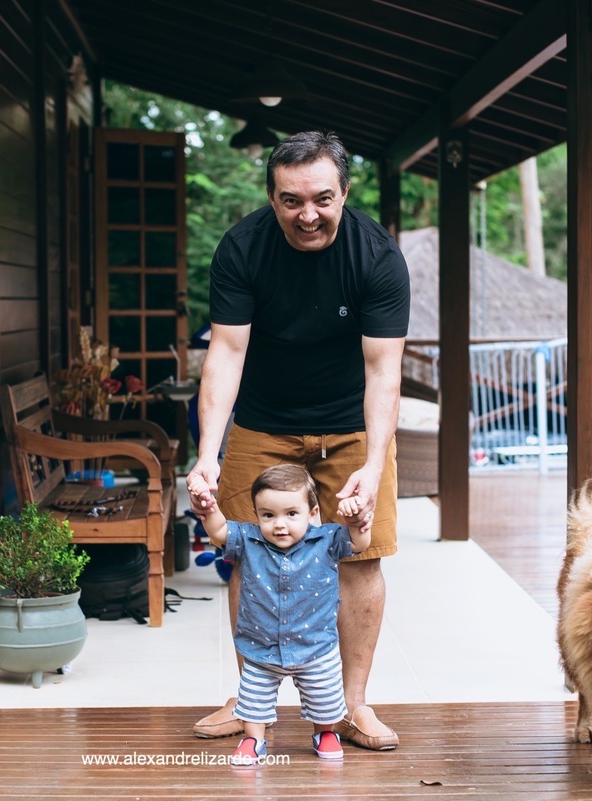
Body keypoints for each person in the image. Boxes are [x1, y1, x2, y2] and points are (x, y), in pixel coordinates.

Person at [188, 130, 410, 751]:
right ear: (271, 196)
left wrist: (372, 461)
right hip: (264, 422)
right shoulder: (242, 248)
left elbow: (382, 371)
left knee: (362, 557)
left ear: (344, 192)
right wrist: (209, 452)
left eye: (321, 199)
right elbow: (226, 354)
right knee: (247, 553)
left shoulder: (377, 257)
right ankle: (249, 701)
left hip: (352, 424)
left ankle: (353, 705)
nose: (307, 215)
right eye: (290, 201)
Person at [190, 464, 369, 764]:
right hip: (262, 647)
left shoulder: (327, 540)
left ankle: (325, 732)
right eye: (268, 515)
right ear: (257, 514)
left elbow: (359, 543)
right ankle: (253, 740)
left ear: (312, 514)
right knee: (252, 700)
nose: (279, 525)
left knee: (324, 698)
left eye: (291, 514)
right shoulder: (248, 540)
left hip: (315, 646)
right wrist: (208, 508)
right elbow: (220, 530)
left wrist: (358, 521)